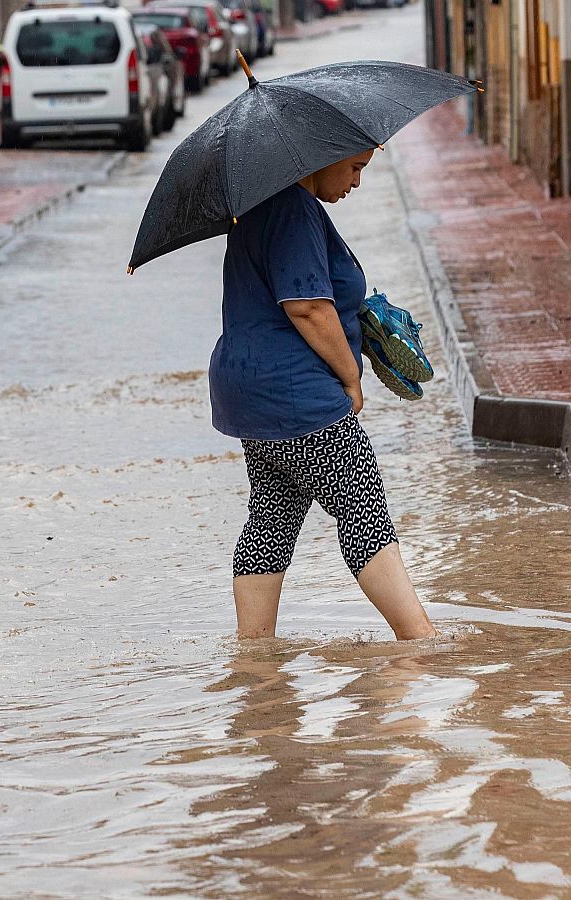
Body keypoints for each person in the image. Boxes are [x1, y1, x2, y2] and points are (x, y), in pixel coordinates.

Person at [210, 149, 438, 641]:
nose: (356, 181)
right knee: (363, 507)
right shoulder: (293, 208)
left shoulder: (261, 205)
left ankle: (254, 659)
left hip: (249, 393)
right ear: (320, 156)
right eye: (354, 167)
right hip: (297, 393)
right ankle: (419, 640)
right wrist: (350, 375)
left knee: (272, 514)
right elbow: (308, 306)